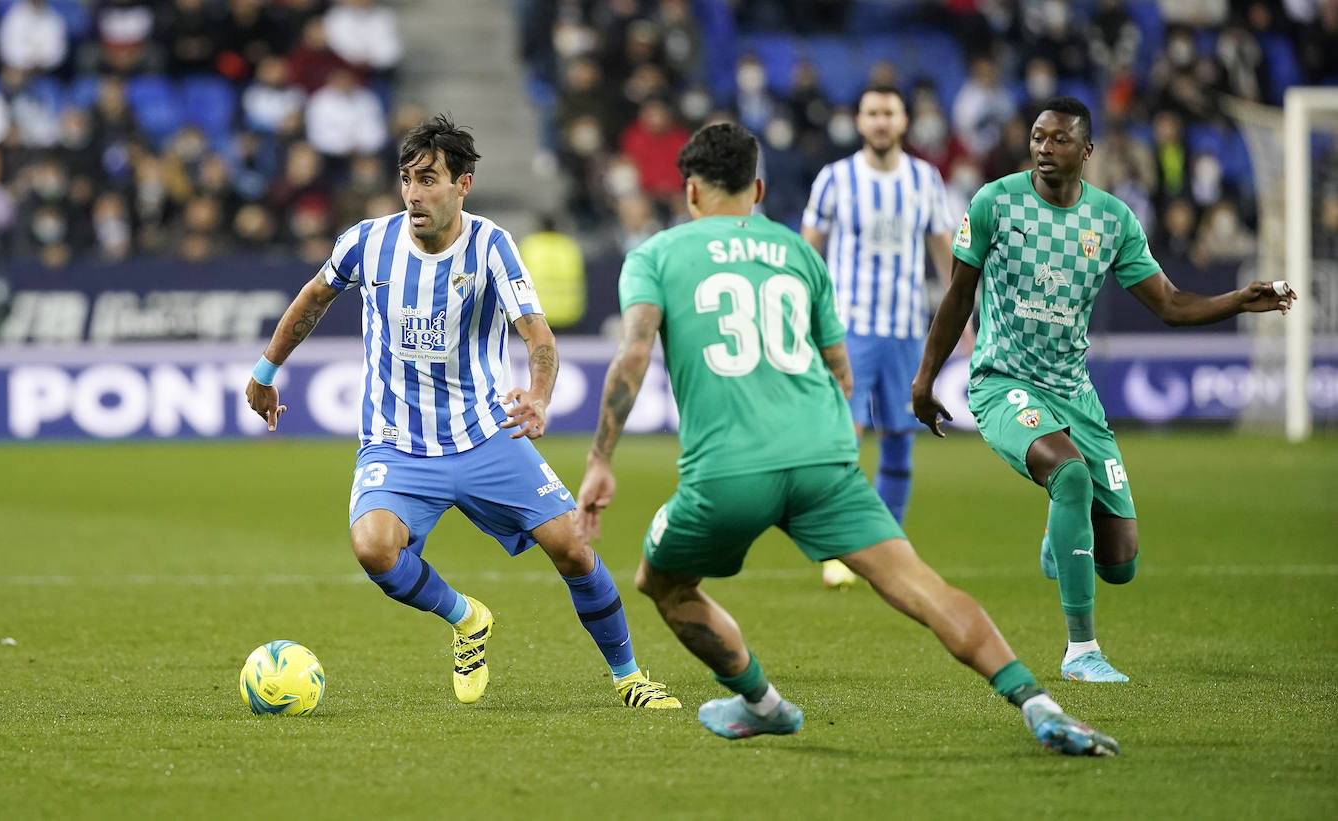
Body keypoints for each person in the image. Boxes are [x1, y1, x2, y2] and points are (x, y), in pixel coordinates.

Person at [576, 121, 1117, 755]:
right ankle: (1040, 706)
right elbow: (839, 368)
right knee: (920, 585)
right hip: (824, 460)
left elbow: (634, 356)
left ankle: (761, 702)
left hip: (727, 471)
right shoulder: (797, 253)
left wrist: (600, 460)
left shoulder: (656, 255)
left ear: (689, 192)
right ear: (757, 187)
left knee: (660, 581)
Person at [245, 114, 679, 710]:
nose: (415, 194)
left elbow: (537, 334)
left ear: (462, 184)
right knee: (373, 548)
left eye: (429, 179)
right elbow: (313, 298)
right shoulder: (368, 243)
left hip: (482, 437)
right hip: (396, 442)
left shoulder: (491, 245)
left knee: (574, 548)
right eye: (407, 179)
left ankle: (630, 677)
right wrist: (266, 372)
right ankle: (467, 617)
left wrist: (540, 394)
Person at [911, 97, 1295, 683]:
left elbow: (1169, 304)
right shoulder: (995, 202)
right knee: (1069, 475)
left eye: (1059, 140)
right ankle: (1080, 652)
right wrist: (926, 376)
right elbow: (959, 294)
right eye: (1037, 137)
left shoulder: (1112, 219)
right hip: (1003, 381)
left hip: (1074, 392)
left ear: (1087, 152)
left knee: (1120, 563)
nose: (1044, 148)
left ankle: (1056, 536)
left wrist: (1238, 299)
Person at [800, 85, 968, 589]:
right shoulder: (835, 179)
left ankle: (888, 544)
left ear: (903, 121)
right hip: (847, 328)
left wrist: (965, 324)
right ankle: (839, 547)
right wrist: (802, 317)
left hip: (905, 329)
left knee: (899, 441)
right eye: (871, 112)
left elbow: (945, 251)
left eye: (888, 113)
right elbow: (810, 252)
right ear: (858, 120)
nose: (879, 121)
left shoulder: (925, 179)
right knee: (843, 440)